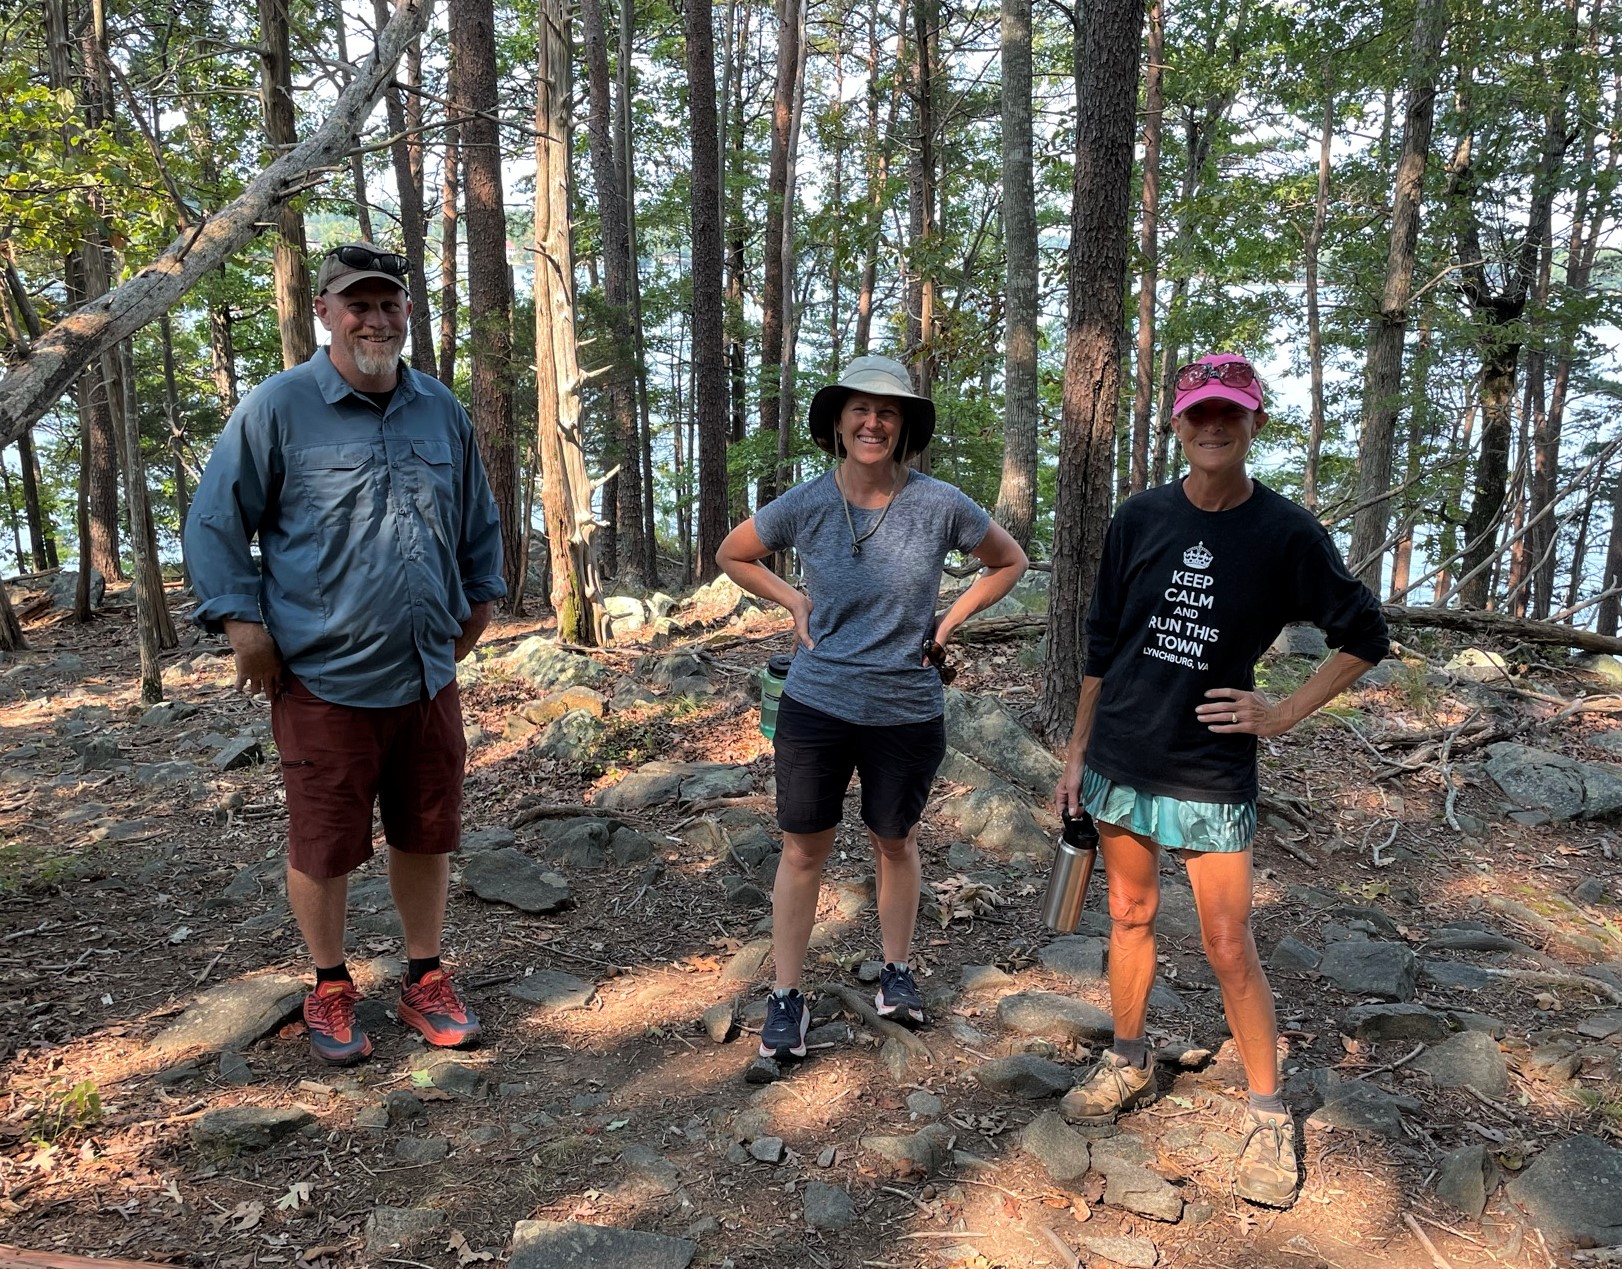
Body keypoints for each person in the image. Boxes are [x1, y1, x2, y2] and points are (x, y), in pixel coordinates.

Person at [1051, 352, 1389, 1207]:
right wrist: (1077, 753)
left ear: (1254, 425)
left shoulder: (1285, 533)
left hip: (1209, 769)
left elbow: (1364, 633)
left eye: (1229, 414)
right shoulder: (1141, 516)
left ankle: (1270, 1112)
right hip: (1124, 755)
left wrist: (1282, 711)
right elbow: (1101, 643)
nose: (1213, 426)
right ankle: (1127, 1058)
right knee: (1128, 913)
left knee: (1230, 942)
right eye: (1198, 411)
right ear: (1177, 421)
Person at [185, 243, 507, 1065]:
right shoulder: (278, 409)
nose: (374, 318)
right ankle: (328, 984)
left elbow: (479, 523)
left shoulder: (441, 412)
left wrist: (476, 606)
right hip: (323, 678)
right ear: (323, 312)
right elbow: (217, 522)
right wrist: (244, 626)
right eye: (356, 304)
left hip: (426, 676)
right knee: (324, 840)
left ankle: (424, 975)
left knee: (425, 833)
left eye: (388, 303)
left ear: (407, 313)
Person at [716, 355, 1028, 1060]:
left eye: (887, 411)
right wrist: (792, 599)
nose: (872, 421)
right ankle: (787, 997)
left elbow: (1009, 560)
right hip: (817, 702)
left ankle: (896, 971)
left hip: (906, 707)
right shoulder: (805, 502)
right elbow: (734, 552)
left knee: (896, 840)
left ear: (904, 426)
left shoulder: (940, 503)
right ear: (836, 422)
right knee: (804, 851)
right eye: (859, 408)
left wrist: (948, 624)